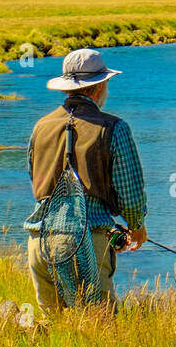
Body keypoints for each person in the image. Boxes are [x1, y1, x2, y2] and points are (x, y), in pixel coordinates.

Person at [23, 48, 147, 317]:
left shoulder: (40, 127)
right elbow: (131, 194)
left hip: (39, 240)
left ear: (67, 88)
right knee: (98, 331)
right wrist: (136, 227)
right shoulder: (114, 128)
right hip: (85, 246)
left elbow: (35, 179)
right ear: (100, 85)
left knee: (55, 331)